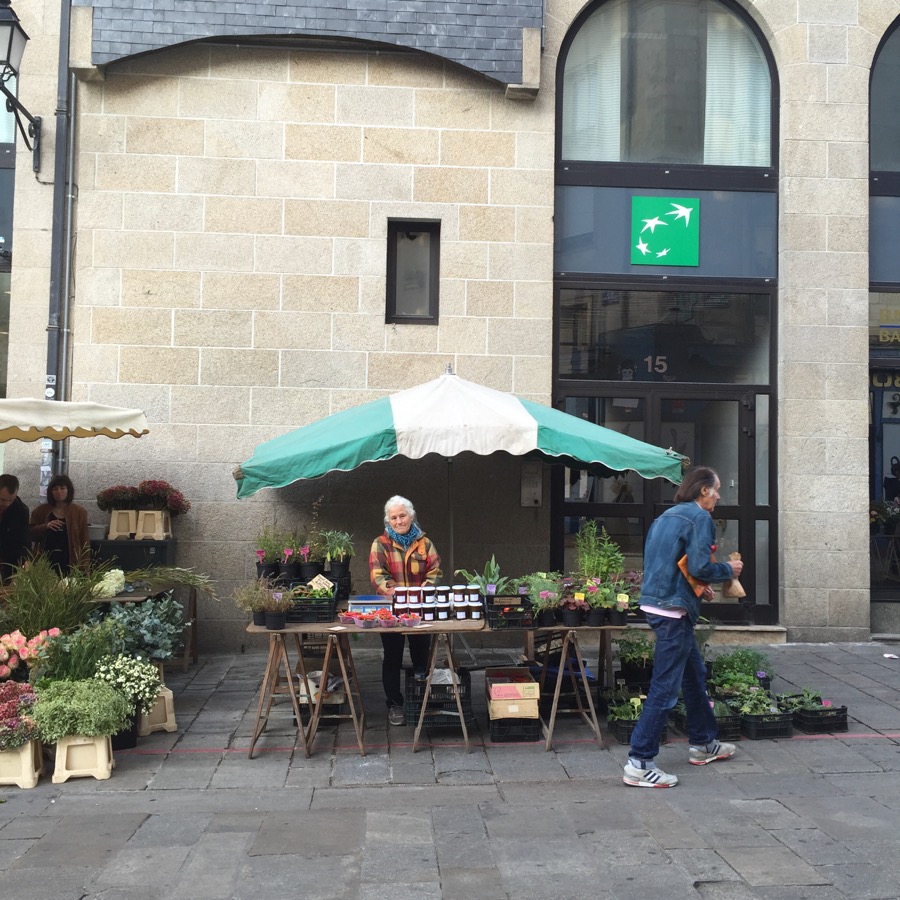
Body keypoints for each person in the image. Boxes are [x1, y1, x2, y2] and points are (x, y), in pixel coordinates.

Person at [623, 465, 743, 788]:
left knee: (693, 675)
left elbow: (670, 564)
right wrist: (728, 570)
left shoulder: (666, 517)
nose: (718, 496)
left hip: (656, 602)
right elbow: (702, 565)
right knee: (665, 686)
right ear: (703, 490)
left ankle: (704, 742)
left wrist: (697, 585)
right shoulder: (700, 518)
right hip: (674, 612)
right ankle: (639, 760)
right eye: (716, 490)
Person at [369, 495, 442, 726]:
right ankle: (395, 704)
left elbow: (435, 571)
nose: (399, 521)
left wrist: (427, 587)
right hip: (391, 612)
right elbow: (378, 576)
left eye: (402, 515)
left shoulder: (425, 543)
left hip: (420, 611)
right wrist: (398, 592)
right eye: (394, 517)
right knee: (392, 657)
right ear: (388, 520)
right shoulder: (380, 543)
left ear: (411, 516)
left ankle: (421, 699)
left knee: (422, 655)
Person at [29, 474, 90, 574]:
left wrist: (85, 565)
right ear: (50, 492)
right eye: (55, 489)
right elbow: (30, 534)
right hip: (46, 561)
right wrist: (46, 526)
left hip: (70, 560)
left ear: (68, 490)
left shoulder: (79, 512)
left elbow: (84, 540)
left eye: (62, 488)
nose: (59, 491)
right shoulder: (40, 511)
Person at [0, 473, 30, 583]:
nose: (7, 504)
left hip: (9, 563)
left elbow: (24, 540)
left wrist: (26, 560)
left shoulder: (21, 510)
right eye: (2, 500)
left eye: (11, 500)